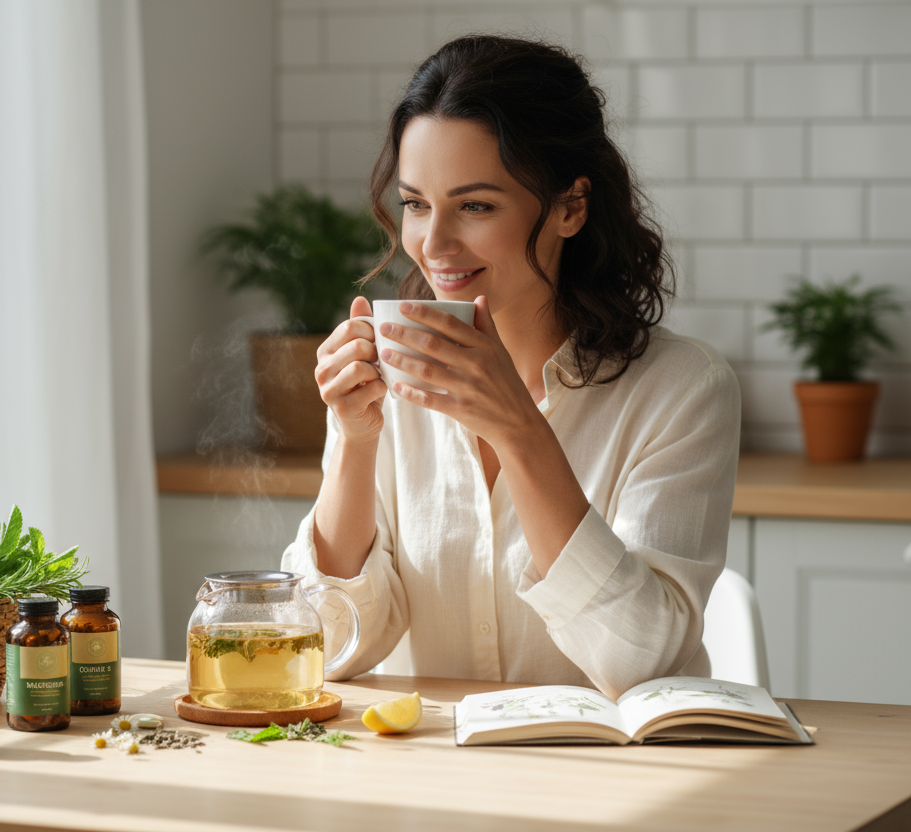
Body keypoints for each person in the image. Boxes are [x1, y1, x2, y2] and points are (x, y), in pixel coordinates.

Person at [281, 35, 741, 701]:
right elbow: (327, 649)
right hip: (427, 782)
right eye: (415, 204)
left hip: (616, 784)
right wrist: (354, 442)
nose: (433, 244)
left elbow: (645, 662)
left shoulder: (682, 389)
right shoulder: (393, 375)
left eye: (475, 206)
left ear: (569, 207)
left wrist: (519, 430)